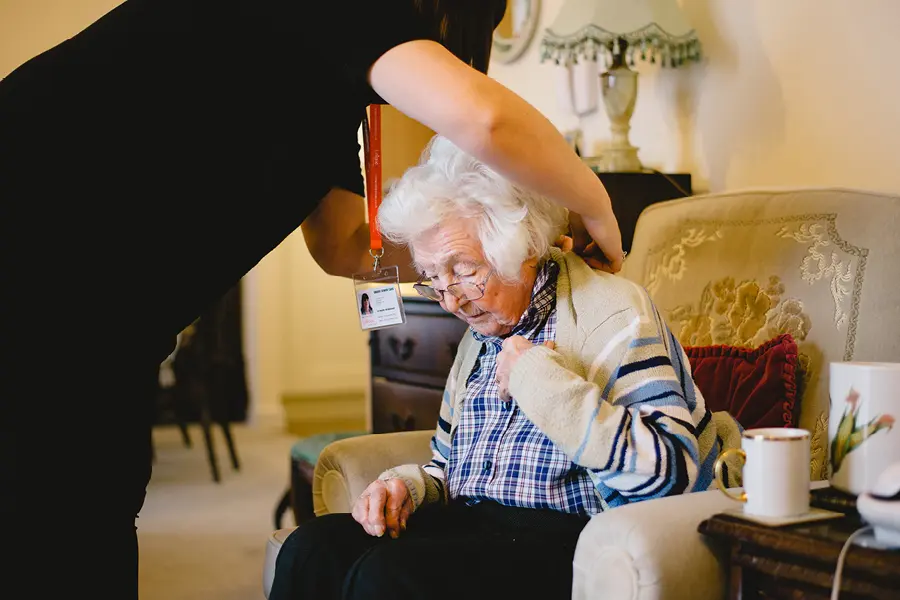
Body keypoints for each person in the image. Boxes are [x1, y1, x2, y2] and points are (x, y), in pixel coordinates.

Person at [2, 1, 624, 596]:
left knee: (91, 507)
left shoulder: (326, 95)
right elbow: (485, 119)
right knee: (60, 522)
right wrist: (594, 202)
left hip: (103, 318)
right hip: (37, 256)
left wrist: (470, 253)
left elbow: (346, 246)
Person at [269, 136, 741, 600]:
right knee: (311, 549)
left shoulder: (614, 313)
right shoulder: (482, 329)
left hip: (566, 539)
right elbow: (447, 466)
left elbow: (671, 474)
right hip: (475, 526)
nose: (451, 300)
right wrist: (409, 487)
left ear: (525, 247)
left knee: (386, 578)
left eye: (464, 270)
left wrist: (539, 381)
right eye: (434, 278)